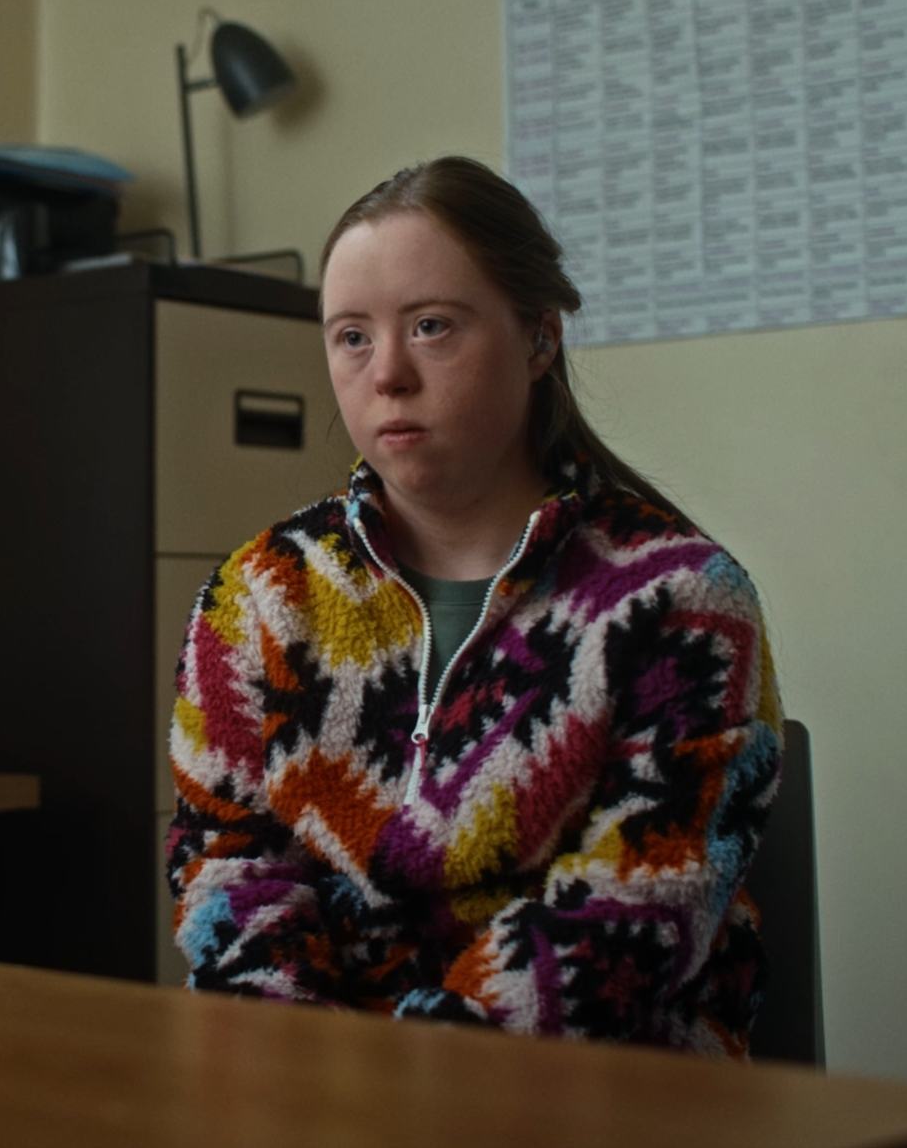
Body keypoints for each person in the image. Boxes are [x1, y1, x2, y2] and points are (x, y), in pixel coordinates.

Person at [165, 156, 783, 1057]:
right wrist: (316, 1073)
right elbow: (223, 861)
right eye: (351, 337)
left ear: (539, 338)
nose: (387, 376)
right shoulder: (258, 595)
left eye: (431, 327)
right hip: (311, 1094)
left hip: (598, 1095)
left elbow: (644, 900)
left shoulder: (682, 599)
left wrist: (417, 1073)